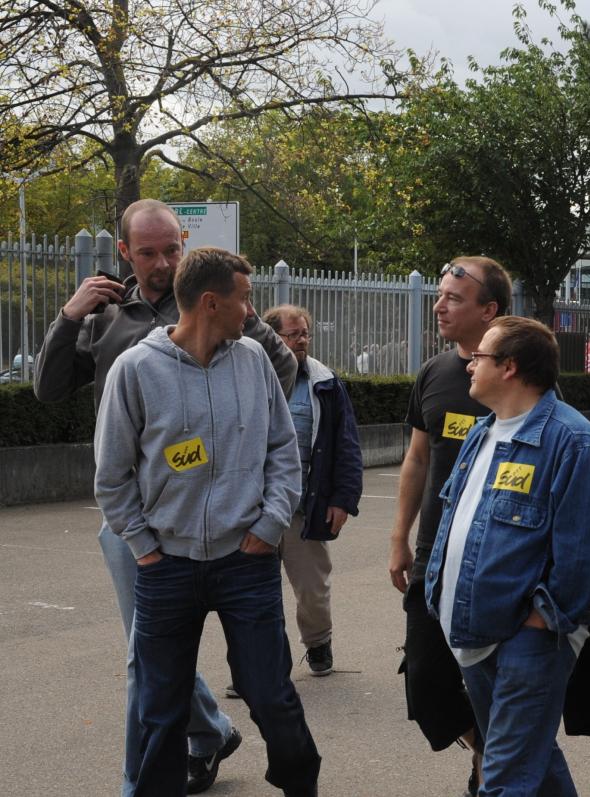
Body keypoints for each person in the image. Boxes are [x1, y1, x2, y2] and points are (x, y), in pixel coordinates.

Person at [33, 198, 296, 795]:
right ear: (124, 253)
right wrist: (70, 315)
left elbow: (276, 379)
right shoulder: (106, 318)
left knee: (151, 661)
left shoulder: (217, 303)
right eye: (147, 253)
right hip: (138, 519)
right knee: (144, 659)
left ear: (183, 241)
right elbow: (48, 390)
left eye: (171, 248)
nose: (162, 262)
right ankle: (183, 750)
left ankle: (188, 748)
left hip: (222, 518)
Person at [93, 247, 319, 796]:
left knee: (271, 696)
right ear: (211, 302)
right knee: (160, 707)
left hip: (246, 564)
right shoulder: (137, 369)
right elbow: (111, 474)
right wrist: (145, 546)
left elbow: (283, 453)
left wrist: (268, 528)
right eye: (245, 299)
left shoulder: (253, 362)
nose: (251, 312)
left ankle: (301, 786)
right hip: (166, 567)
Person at [425, 316, 590, 796]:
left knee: (507, 777)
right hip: (475, 634)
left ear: (509, 367)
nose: (470, 364)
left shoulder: (573, 442)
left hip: (530, 641)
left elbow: (588, 549)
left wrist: (541, 622)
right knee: (529, 758)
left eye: (481, 357)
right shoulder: (484, 431)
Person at [388, 257, 513, 794]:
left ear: (490, 310)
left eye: (453, 298)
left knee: (501, 684)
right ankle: (487, 750)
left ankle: (499, 772)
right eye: (439, 296)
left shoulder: (518, 374)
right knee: (425, 682)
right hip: (436, 555)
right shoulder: (435, 373)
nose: (439, 305)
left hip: (498, 559)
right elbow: (418, 458)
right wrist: (399, 537)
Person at [263, 304, 363, 676]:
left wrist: (342, 500)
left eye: (305, 333)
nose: (302, 340)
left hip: (304, 509)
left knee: (312, 591)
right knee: (253, 594)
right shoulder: (247, 374)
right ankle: (256, 666)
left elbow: (347, 444)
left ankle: (318, 643)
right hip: (253, 510)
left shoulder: (325, 382)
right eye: (294, 334)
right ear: (273, 337)